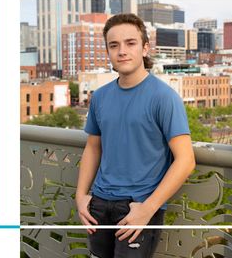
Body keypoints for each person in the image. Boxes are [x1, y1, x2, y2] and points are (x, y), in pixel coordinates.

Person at [75, 13, 196, 258]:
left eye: (130, 43)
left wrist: (147, 209)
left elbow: (186, 160)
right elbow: (93, 148)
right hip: (98, 204)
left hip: (137, 206)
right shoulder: (99, 96)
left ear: (145, 48)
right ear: (108, 51)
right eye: (114, 45)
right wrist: (80, 196)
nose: (122, 51)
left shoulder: (164, 97)